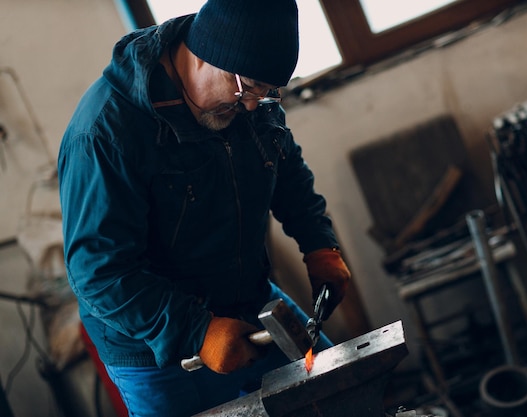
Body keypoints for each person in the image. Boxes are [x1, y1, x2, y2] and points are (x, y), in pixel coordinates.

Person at [57, 0, 351, 415]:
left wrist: (320, 244)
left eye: (266, 92)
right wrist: (196, 330)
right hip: (151, 344)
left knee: (343, 396)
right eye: (248, 89)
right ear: (204, 56)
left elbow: (284, 167)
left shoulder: (249, 100)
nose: (252, 105)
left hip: (248, 302)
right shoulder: (107, 132)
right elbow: (98, 272)